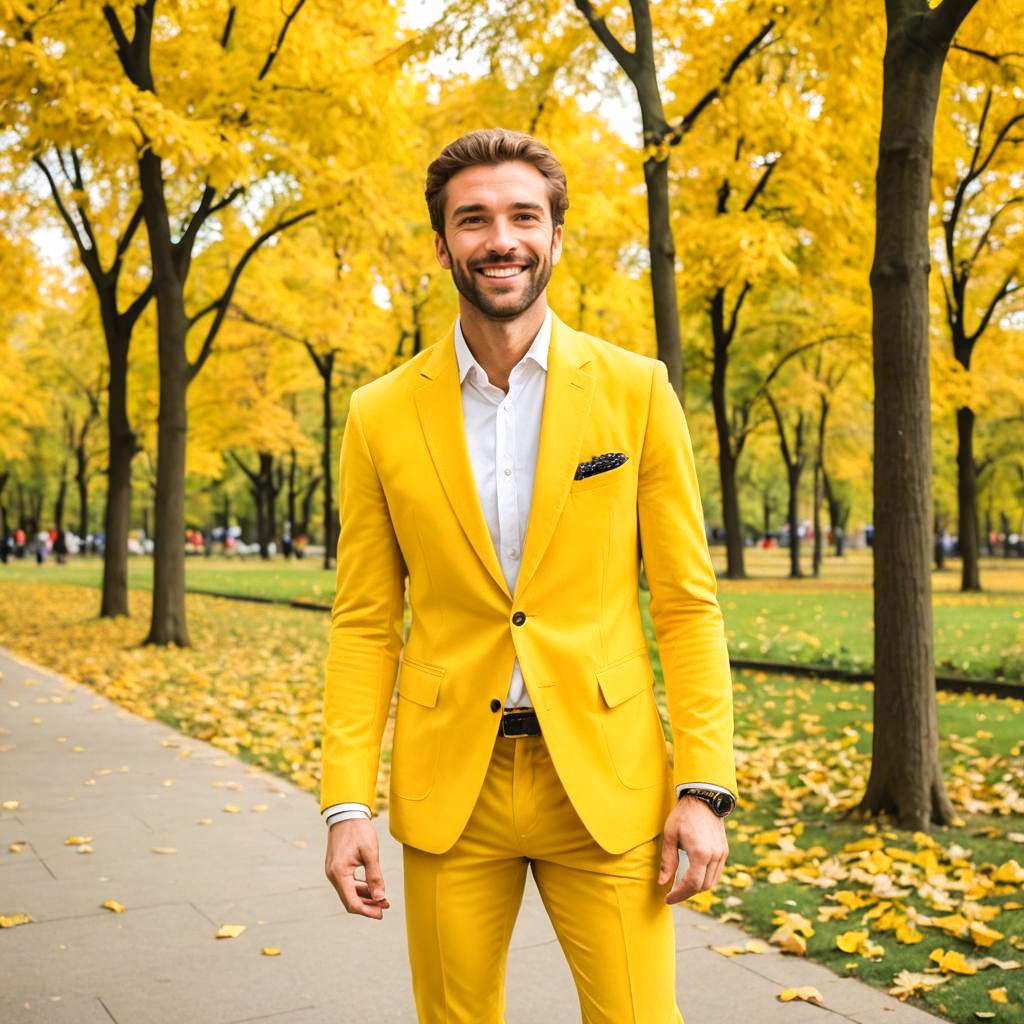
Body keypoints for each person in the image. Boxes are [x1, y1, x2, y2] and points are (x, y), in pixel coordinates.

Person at [321, 128, 737, 1023]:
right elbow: (362, 623)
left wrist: (703, 789)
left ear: (555, 238)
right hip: (449, 794)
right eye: (473, 219)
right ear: (442, 245)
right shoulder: (379, 415)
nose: (499, 238)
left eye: (522, 216)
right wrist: (345, 803)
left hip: (608, 783)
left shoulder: (637, 391)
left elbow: (687, 608)